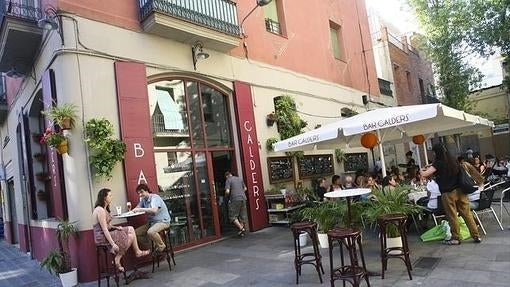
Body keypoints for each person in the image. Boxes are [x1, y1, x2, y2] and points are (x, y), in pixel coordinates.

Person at [420, 143, 481, 245]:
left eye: (434, 152)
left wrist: (422, 169)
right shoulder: (453, 160)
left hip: (448, 193)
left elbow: (425, 174)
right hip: (461, 191)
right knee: (467, 214)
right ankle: (476, 236)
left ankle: (456, 238)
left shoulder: (438, 163)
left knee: (452, 216)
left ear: (436, 152)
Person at [92, 188, 149, 272]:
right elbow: (104, 229)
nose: (112, 197)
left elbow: (107, 226)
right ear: (104, 198)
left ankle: (137, 251)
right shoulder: (100, 210)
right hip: (101, 237)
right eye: (110, 195)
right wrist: (113, 244)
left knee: (131, 229)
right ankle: (118, 259)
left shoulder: (104, 208)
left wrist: (116, 228)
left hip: (105, 233)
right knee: (130, 235)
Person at [133, 184, 171, 253]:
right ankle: (153, 245)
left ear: (147, 190)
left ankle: (161, 246)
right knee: (135, 233)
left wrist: (141, 209)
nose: (140, 195)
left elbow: (154, 210)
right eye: (139, 193)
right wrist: (133, 210)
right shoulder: (144, 200)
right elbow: (137, 208)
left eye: (142, 192)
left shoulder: (155, 198)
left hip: (163, 221)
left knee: (151, 232)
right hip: (152, 223)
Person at [225, 171, 248, 237]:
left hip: (234, 199)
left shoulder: (228, 180)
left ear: (227, 176)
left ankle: (241, 228)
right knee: (242, 216)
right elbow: (245, 188)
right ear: (231, 174)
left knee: (232, 216)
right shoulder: (239, 179)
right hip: (243, 198)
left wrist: (226, 196)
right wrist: (240, 193)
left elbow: (227, 191)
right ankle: (241, 231)